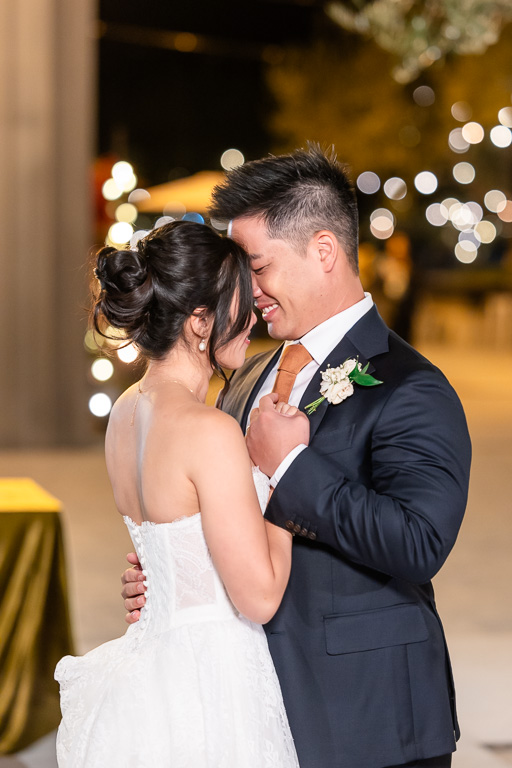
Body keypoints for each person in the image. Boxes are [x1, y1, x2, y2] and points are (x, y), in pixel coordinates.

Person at [121, 146, 472, 768]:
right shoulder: (242, 376)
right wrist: (175, 567)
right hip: (250, 713)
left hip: (367, 716)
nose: (247, 291)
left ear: (324, 252)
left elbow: (420, 544)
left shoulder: (412, 386)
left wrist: (292, 470)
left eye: (257, 267)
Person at [54, 220, 303, 767]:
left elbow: (172, 552)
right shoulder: (207, 431)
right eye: (239, 301)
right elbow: (258, 599)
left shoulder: (123, 413)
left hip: (148, 678)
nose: (254, 312)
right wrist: (284, 473)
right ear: (198, 322)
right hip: (210, 683)